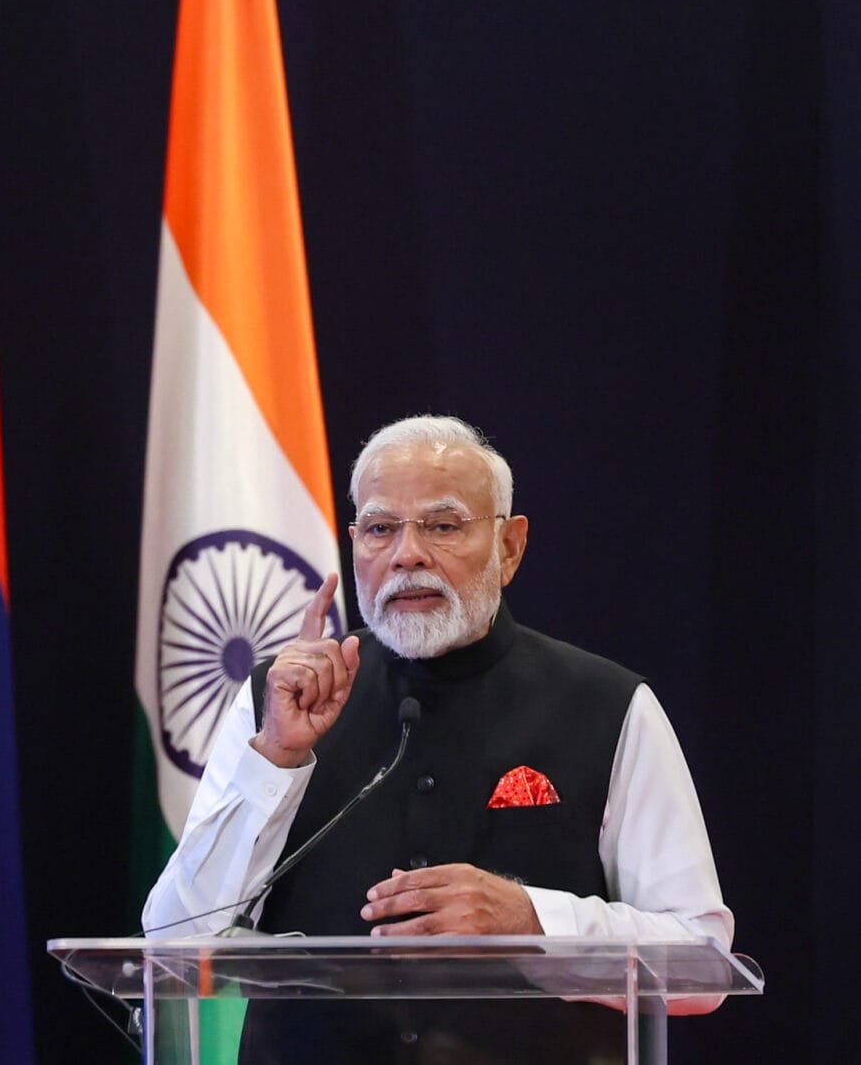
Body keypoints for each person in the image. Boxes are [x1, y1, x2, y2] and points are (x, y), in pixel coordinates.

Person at [143, 415, 733, 1063]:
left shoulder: (610, 705)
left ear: (510, 547)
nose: (407, 554)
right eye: (380, 528)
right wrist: (276, 760)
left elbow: (701, 964)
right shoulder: (273, 704)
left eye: (443, 525)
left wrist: (534, 921)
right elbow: (175, 940)